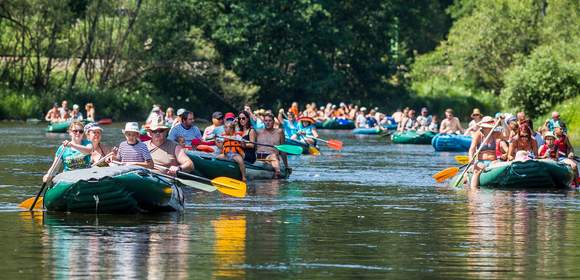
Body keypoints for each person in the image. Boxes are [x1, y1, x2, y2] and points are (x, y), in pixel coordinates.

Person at [468, 116, 501, 188]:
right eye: (488, 127)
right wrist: (471, 159)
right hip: (481, 161)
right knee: (477, 171)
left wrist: (503, 121)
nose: (490, 128)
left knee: (498, 163)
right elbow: (472, 148)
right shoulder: (478, 134)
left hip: (493, 161)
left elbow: (506, 134)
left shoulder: (494, 134)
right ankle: (473, 190)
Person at [256, 113, 289, 178]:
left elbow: (283, 150)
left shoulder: (279, 132)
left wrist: (286, 166)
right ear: (263, 122)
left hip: (273, 158)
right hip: (259, 157)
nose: (267, 123)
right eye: (266, 121)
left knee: (273, 156)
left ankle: (277, 171)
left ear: (273, 122)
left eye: (270, 121)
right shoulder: (258, 132)